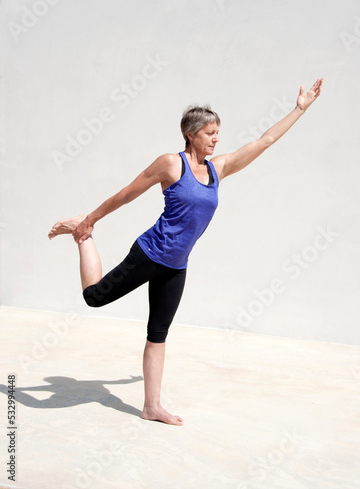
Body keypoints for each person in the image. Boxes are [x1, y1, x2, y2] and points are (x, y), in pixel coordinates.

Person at [48, 78, 324, 425]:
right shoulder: (170, 164)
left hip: (177, 265)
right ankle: (82, 238)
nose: (216, 139)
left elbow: (264, 141)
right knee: (94, 298)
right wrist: (90, 221)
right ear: (191, 134)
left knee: (158, 333)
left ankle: (151, 406)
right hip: (149, 254)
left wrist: (299, 108)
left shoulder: (217, 169)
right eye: (210, 132)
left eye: (217, 133)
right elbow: (127, 193)